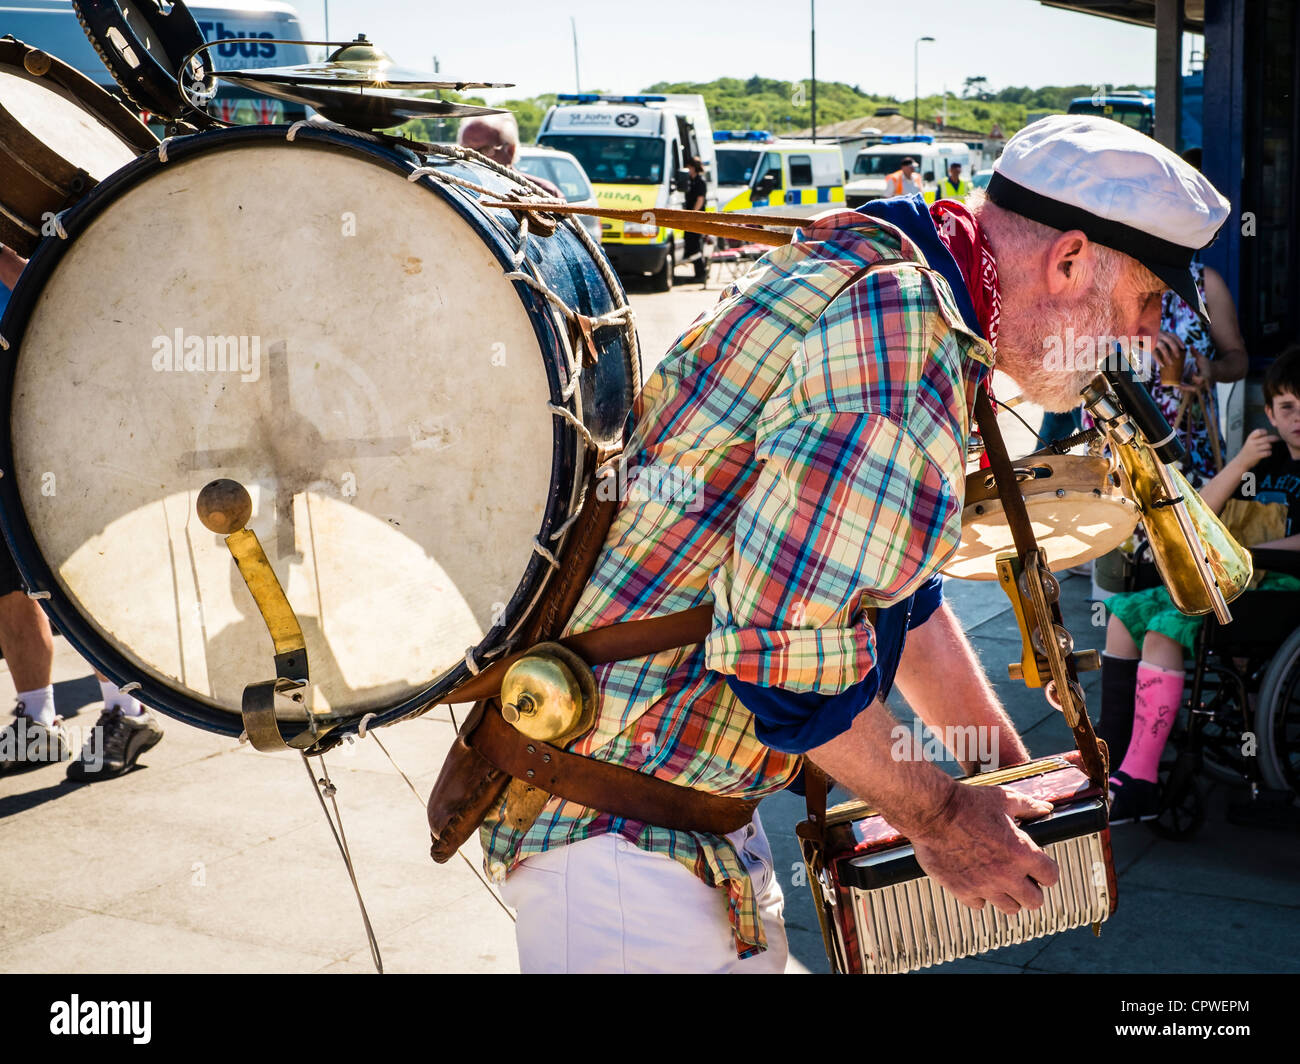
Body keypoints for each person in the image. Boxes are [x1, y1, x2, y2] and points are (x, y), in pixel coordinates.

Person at [482, 114, 1228, 973]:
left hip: (675, 829)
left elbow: (893, 602)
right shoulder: (903, 337)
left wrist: (1002, 777)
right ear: (1067, 262)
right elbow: (784, 657)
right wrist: (945, 819)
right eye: (1144, 300)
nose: (1145, 335)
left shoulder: (911, 284)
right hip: (626, 846)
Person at [1100, 345, 1300, 823]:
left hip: (1282, 590)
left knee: (1167, 624)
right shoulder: (1264, 462)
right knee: (1124, 616)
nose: (1297, 418)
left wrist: (1251, 557)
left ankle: (1140, 778)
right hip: (1241, 584)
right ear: (1270, 412)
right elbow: (1198, 516)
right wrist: (1241, 462)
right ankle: (1110, 753)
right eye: (1288, 407)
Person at [0, 242, 163, 781]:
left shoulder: (30, 227)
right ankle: (37, 720)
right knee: (9, 588)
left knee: (76, 588)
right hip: (5, 446)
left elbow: (63, 296)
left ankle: (129, 712)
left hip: (56, 434)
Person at [457, 113, 563, 199]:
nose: (471, 157)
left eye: (483, 149)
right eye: (464, 149)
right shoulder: (452, 189)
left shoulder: (546, 194)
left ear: (510, 151)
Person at [681, 156, 709, 283]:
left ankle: (701, 273)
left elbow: (700, 200)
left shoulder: (700, 182)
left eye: (688, 167)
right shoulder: (690, 181)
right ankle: (699, 273)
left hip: (695, 219)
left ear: (693, 167)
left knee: (695, 245)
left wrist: (693, 215)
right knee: (691, 244)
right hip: (689, 219)